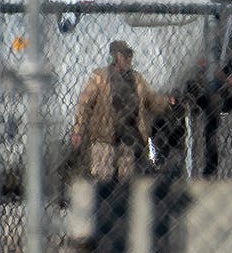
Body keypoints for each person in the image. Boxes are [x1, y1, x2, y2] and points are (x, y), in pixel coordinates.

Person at [71, 39, 169, 180]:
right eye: (125, 56)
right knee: (102, 178)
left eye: (130, 56)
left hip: (128, 137)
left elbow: (151, 99)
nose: (129, 59)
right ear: (115, 57)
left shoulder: (136, 79)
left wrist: (168, 102)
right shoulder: (100, 78)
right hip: (104, 137)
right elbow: (84, 105)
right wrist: (78, 131)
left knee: (126, 180)